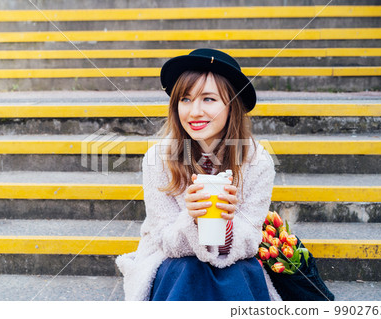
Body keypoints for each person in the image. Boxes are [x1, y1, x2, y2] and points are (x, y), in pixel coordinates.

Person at [116, 48, 281, 301]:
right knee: (189, 270)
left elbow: (250, 240)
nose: (194, 112)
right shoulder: (157, 159)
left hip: (233, 261)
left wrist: (226, 223)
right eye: (185, 99)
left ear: (231, 105)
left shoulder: (257, 161)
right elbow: (165, 241)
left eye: (208, 99)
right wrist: (191, 220)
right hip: (171, 262)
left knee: (236, 273)